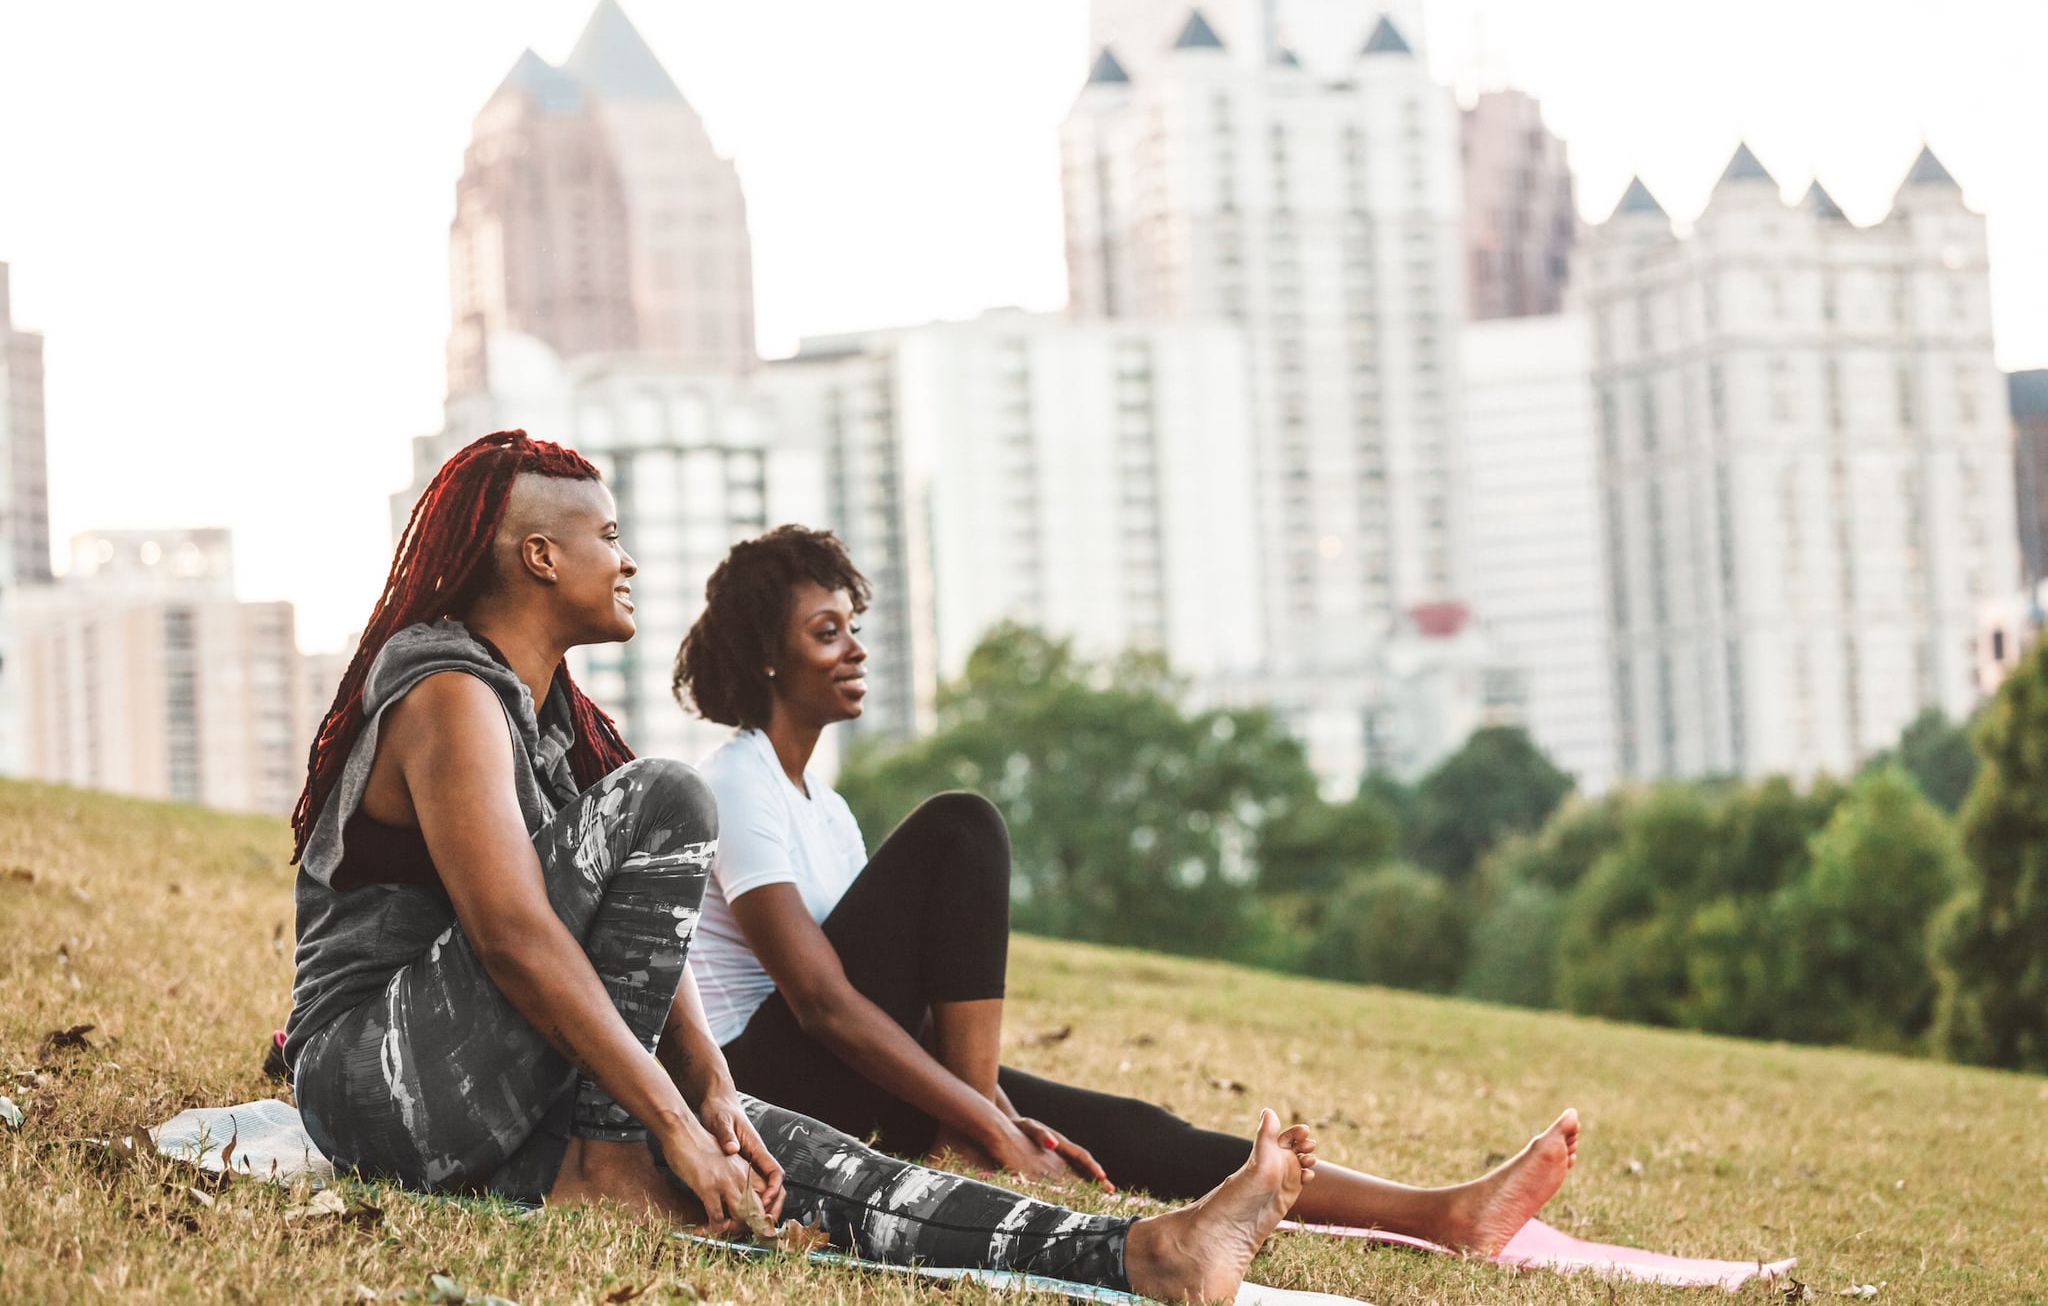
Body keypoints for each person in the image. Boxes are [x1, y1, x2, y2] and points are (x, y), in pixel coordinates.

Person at [282, 430, 1321, 1305]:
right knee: (667, 794)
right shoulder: (448, 693)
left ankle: (1147, 1255)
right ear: (540, 556)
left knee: (807, 1158)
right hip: (380, 1079)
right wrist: (651, 1122)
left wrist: (714, 1093)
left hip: (498, 1092)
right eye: (607, 535)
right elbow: (515, 935)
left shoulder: (551, 722)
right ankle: (605, 1167)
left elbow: (632, 942)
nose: (627, 559)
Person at [675, 524, 1580, 1254]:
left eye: (854, 626)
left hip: (845, 1070)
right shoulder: (738, 780)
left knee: (1127, 1127)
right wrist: (993, 1128)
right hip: (767, 1088)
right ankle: (991, 1132)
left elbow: (877, 996)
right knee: (961, 825)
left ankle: (1438, 1216)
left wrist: (1002, 1113)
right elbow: (824, 1003)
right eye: (825, 632)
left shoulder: (824, 809)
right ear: (766, 659)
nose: (855, 649)